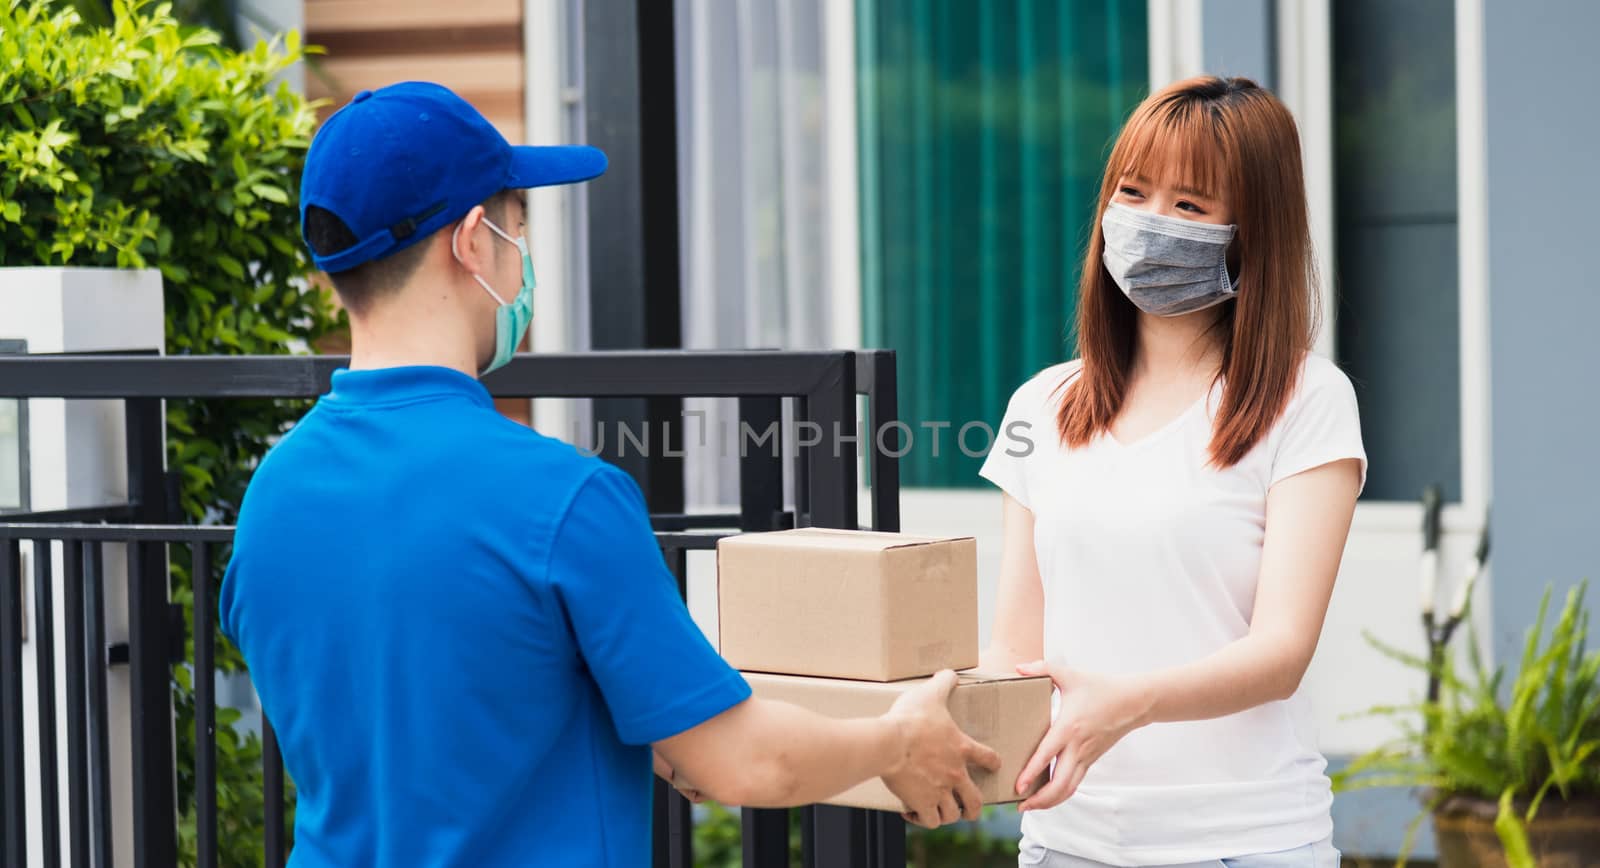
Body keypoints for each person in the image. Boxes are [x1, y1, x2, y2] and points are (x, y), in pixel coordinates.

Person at [219, 81, 999, 868]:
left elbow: (416, 711)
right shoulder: (562, 501)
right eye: (518, 229)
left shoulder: (271, 497)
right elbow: (747, 760)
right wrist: (899, 738)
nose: (522, 262)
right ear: (471, 241)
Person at [977, 76, 1365, 868]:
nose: (1151, 224)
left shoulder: (1309, 400)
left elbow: (1281, 653)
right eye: (1133, 192)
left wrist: (1129, 704)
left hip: (1248, 844)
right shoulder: (1039, 405)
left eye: (1190, 206)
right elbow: (1014, 650)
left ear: (1252, 232)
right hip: (1067, 842)